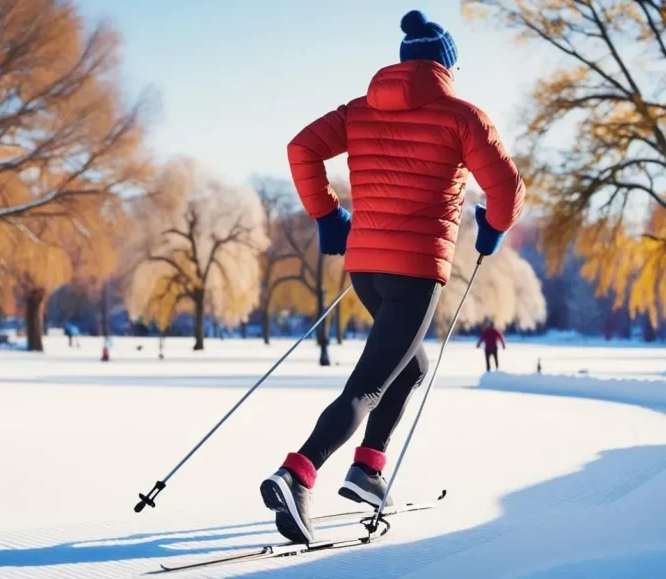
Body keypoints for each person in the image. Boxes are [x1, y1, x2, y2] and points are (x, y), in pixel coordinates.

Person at [260, 10, 526, 544]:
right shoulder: (462, 117)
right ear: (447, 65)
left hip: (367, 269)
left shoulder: (359, 110)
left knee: (408, 368)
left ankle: (367, 470)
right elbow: (508, 191)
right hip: (416, 272)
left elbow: (301, 148)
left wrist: (327, 216)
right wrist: (492, 229)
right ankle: (299, 471)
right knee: (370, 385)